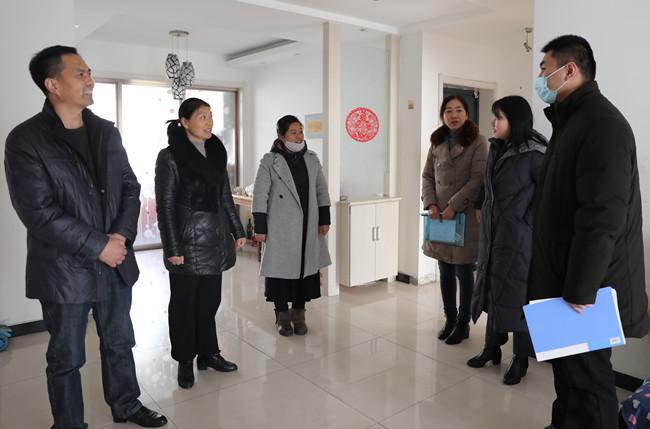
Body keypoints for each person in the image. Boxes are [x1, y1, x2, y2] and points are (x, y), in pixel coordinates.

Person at [4, 45, 167, 428]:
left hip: (115, 263)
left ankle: (126, 405)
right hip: (64, 270)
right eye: (80, 73)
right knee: (66, 358)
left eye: (89, 72)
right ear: (52, 84)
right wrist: (99, 246)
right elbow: (37, 212)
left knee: (120, 342)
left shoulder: (106, 131)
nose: (90, 79)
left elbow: (130, 187)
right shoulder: (26, 139)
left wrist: (120, 237)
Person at [529, 35, 649, 429]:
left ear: (569, 70)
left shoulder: (601, 124)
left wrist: (581, 289)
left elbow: (602, 215)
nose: (540, 78)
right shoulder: (571, 121)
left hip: (586, 290)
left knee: (589, 383)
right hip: (564, 280)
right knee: (567, 376)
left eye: (544, 69)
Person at [155, 98, 246, 390]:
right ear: (184, 122)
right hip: (187, 242)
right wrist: (173, 248)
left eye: (210, 116)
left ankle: (209, 353)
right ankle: (185, 359)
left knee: (209, 302)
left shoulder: (216, 152)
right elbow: (165, 206)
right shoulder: (170, 157)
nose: (209, 122)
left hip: (215, 240)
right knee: (184, 305)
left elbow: (225, 196)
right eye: (202, 116)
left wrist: (237, 229)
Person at [467, 96, 547, 385]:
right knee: (493, 290)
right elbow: (488, 186)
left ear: (515, 120)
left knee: (518, 297)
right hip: (494, 235)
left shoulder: (536, 154)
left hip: (520, 240)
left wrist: (525, 222)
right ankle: (492, 348)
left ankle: (520, 358)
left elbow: (548, 198)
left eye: (498, 117)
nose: (492, 123)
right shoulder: (496, 147)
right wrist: (482, 206)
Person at [252, 115, 331, 336]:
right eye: (293, 133)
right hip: (281, 226)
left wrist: (324, 218)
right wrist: (260, 227)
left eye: (300, 131)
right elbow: (260, 195)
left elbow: (321, 190)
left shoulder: (311, 159)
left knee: (305, 271)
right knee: (280, 272)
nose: (298, 136)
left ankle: (299, 313)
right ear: (281, 136)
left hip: (308, 225)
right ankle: (282, 315)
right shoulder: (270, 161)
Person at [422, 95, 488, 345]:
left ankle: (463, 322)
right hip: (440, 217)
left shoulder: (479, 141)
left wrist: (453, 206)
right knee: (445, 270)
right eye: (448, 110)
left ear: (467, 114)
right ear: (442, 115)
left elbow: (478, 179)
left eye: (459, 110)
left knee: (463, 271)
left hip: (464, 216)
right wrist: (431, 203)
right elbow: (427, 175)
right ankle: (449, 318)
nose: (453, 115)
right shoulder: (437, 141)